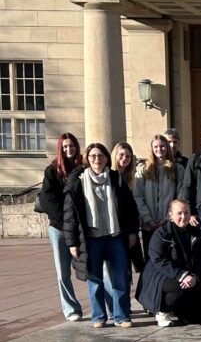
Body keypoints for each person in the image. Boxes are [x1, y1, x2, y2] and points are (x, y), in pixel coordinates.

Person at [63, 142, 140, 328]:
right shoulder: (78, 182)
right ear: (87, 159)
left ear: (106, 158)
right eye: (93, 156)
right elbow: (70, 214)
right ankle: (99, 316)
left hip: (115, 237)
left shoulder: (116, 179)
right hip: (91, 239)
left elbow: (131, 209)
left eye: (101, 156)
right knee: (94, 278)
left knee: (120, 276)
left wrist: (132, 233)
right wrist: (72, 242)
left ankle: (121, 316)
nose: (97, 159)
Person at [136, 199, 201, 327]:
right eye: (179, 213)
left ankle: (177, 310)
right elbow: (158, 259)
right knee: (178, 287)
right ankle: (162, 310)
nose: (183, 217)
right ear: (171, 215)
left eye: (187, 213)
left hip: (189, 275)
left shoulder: (197, 234)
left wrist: (194, 276)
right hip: (161, 275)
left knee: (198, 317)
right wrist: (181, 275)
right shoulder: (161, 233)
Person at [40, 132, 84, 322]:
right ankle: (71, 309)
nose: (68, 149)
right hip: (58, 228)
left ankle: (102, 305)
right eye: (65, 146)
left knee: (91, 267)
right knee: (63, 271)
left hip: (82, 228)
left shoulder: (84, 167)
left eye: (71, 145)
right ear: (60, 148)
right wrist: (65, 222)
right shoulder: (52, 170)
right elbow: (47, 199)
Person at [134, 135, 186, 257]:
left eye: (162, 146)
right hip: (149, 224)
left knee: (170, 256)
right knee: (151, 258)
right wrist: (148, 219)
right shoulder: (144, 169)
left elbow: (180, 195)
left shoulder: (177, 169)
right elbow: (138, 196)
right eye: (156, 146)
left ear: (167, 147)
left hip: (169, 223)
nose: (159, 149)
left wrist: (168, 217)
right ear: (151, 148)